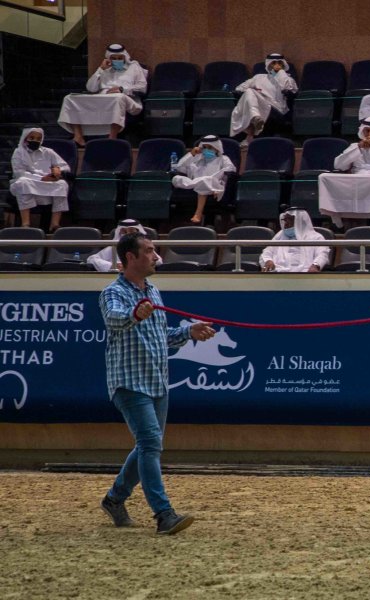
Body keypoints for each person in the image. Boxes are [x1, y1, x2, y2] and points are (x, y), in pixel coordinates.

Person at [99, 232, 214, 535]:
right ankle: (164, 514)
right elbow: (116, 319)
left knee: (148, 445)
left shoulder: (153, 290)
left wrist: (189, 332)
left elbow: (161, 337)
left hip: (156, 381)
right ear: (130, 258)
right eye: (149, 251)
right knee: (150, 443)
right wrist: (136, 313)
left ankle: (114, 499)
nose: (155, 256)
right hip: (129, 381)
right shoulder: (113, 292)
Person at [58, 43, 148, 146]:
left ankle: (112, 137)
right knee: (69, 98)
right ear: (109, 59)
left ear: (125, 57)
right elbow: (91, 88)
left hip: (127, 98)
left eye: (120, 58)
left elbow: (142, 87)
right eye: (114, 58)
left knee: (118, 98)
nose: (117, 60)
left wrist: (122, 89)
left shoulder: (134, 67)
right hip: (103, 97)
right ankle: (78, 136)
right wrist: (100, 69)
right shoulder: (105, 70)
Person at [318, 117, 370, 230]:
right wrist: (359, 148)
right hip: (357, 178)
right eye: (367, 130)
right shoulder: (355, 146)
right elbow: (338, 165)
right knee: (324, 177)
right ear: (362, 131)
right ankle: (337, 222)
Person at [9, 127, 69, 231]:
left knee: (62, 184)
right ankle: (26, 224)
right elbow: (19, 173)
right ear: (25, 139)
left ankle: (54, 224)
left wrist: (58, 169)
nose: (35, 141)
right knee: (23, 183)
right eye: (32, 138)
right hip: (30, 181)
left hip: (48, 182)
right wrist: (41, 178)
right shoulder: (18, 152)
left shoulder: (48, 152)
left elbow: (66, 167)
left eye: (38, 138)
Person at [230, 53, 298, 146]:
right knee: (249, 92)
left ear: (283, 65)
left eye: (279, 63)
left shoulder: (288, 79)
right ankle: (256, 118)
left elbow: (289, 89)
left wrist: (280, 73)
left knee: (250, 97)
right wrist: (257, 93)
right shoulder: (259, 77)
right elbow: (239, 88)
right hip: (258, 106)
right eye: (273, 63)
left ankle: (250, 135)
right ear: (268, 65)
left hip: (277, 109)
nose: (277, 65)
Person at [172, 135, 237, 225]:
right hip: (194, 184)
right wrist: (192, 154)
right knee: (176, 178)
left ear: (217, 148)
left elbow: (231, 170)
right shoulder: (197, 159)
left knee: (205, 180)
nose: (207, 150)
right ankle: (201, 185)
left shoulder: (223, 159)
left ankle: (198, 213)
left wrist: (216, 184)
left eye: (210, 147)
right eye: (204, 147)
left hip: (214, 183)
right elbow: (179, 167)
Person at [260, 208, 331, 273]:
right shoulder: (280, 235)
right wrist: (268, 261)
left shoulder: (316, 237)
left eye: (289, 219)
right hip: (278, 273)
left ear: (300, 221)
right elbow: (267, 252)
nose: (286, 223)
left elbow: (322, 254)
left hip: (305, 274)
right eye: (285, 220)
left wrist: (315, 265)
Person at [89, 218, 163, 272]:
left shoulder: (144, 248)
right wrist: (112, 265)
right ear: (119, 233)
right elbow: (91, 259)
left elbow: (159, 261)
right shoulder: (113, 248)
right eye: (124, 231)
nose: (127, 234)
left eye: (131, 231)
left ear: (138, 232)